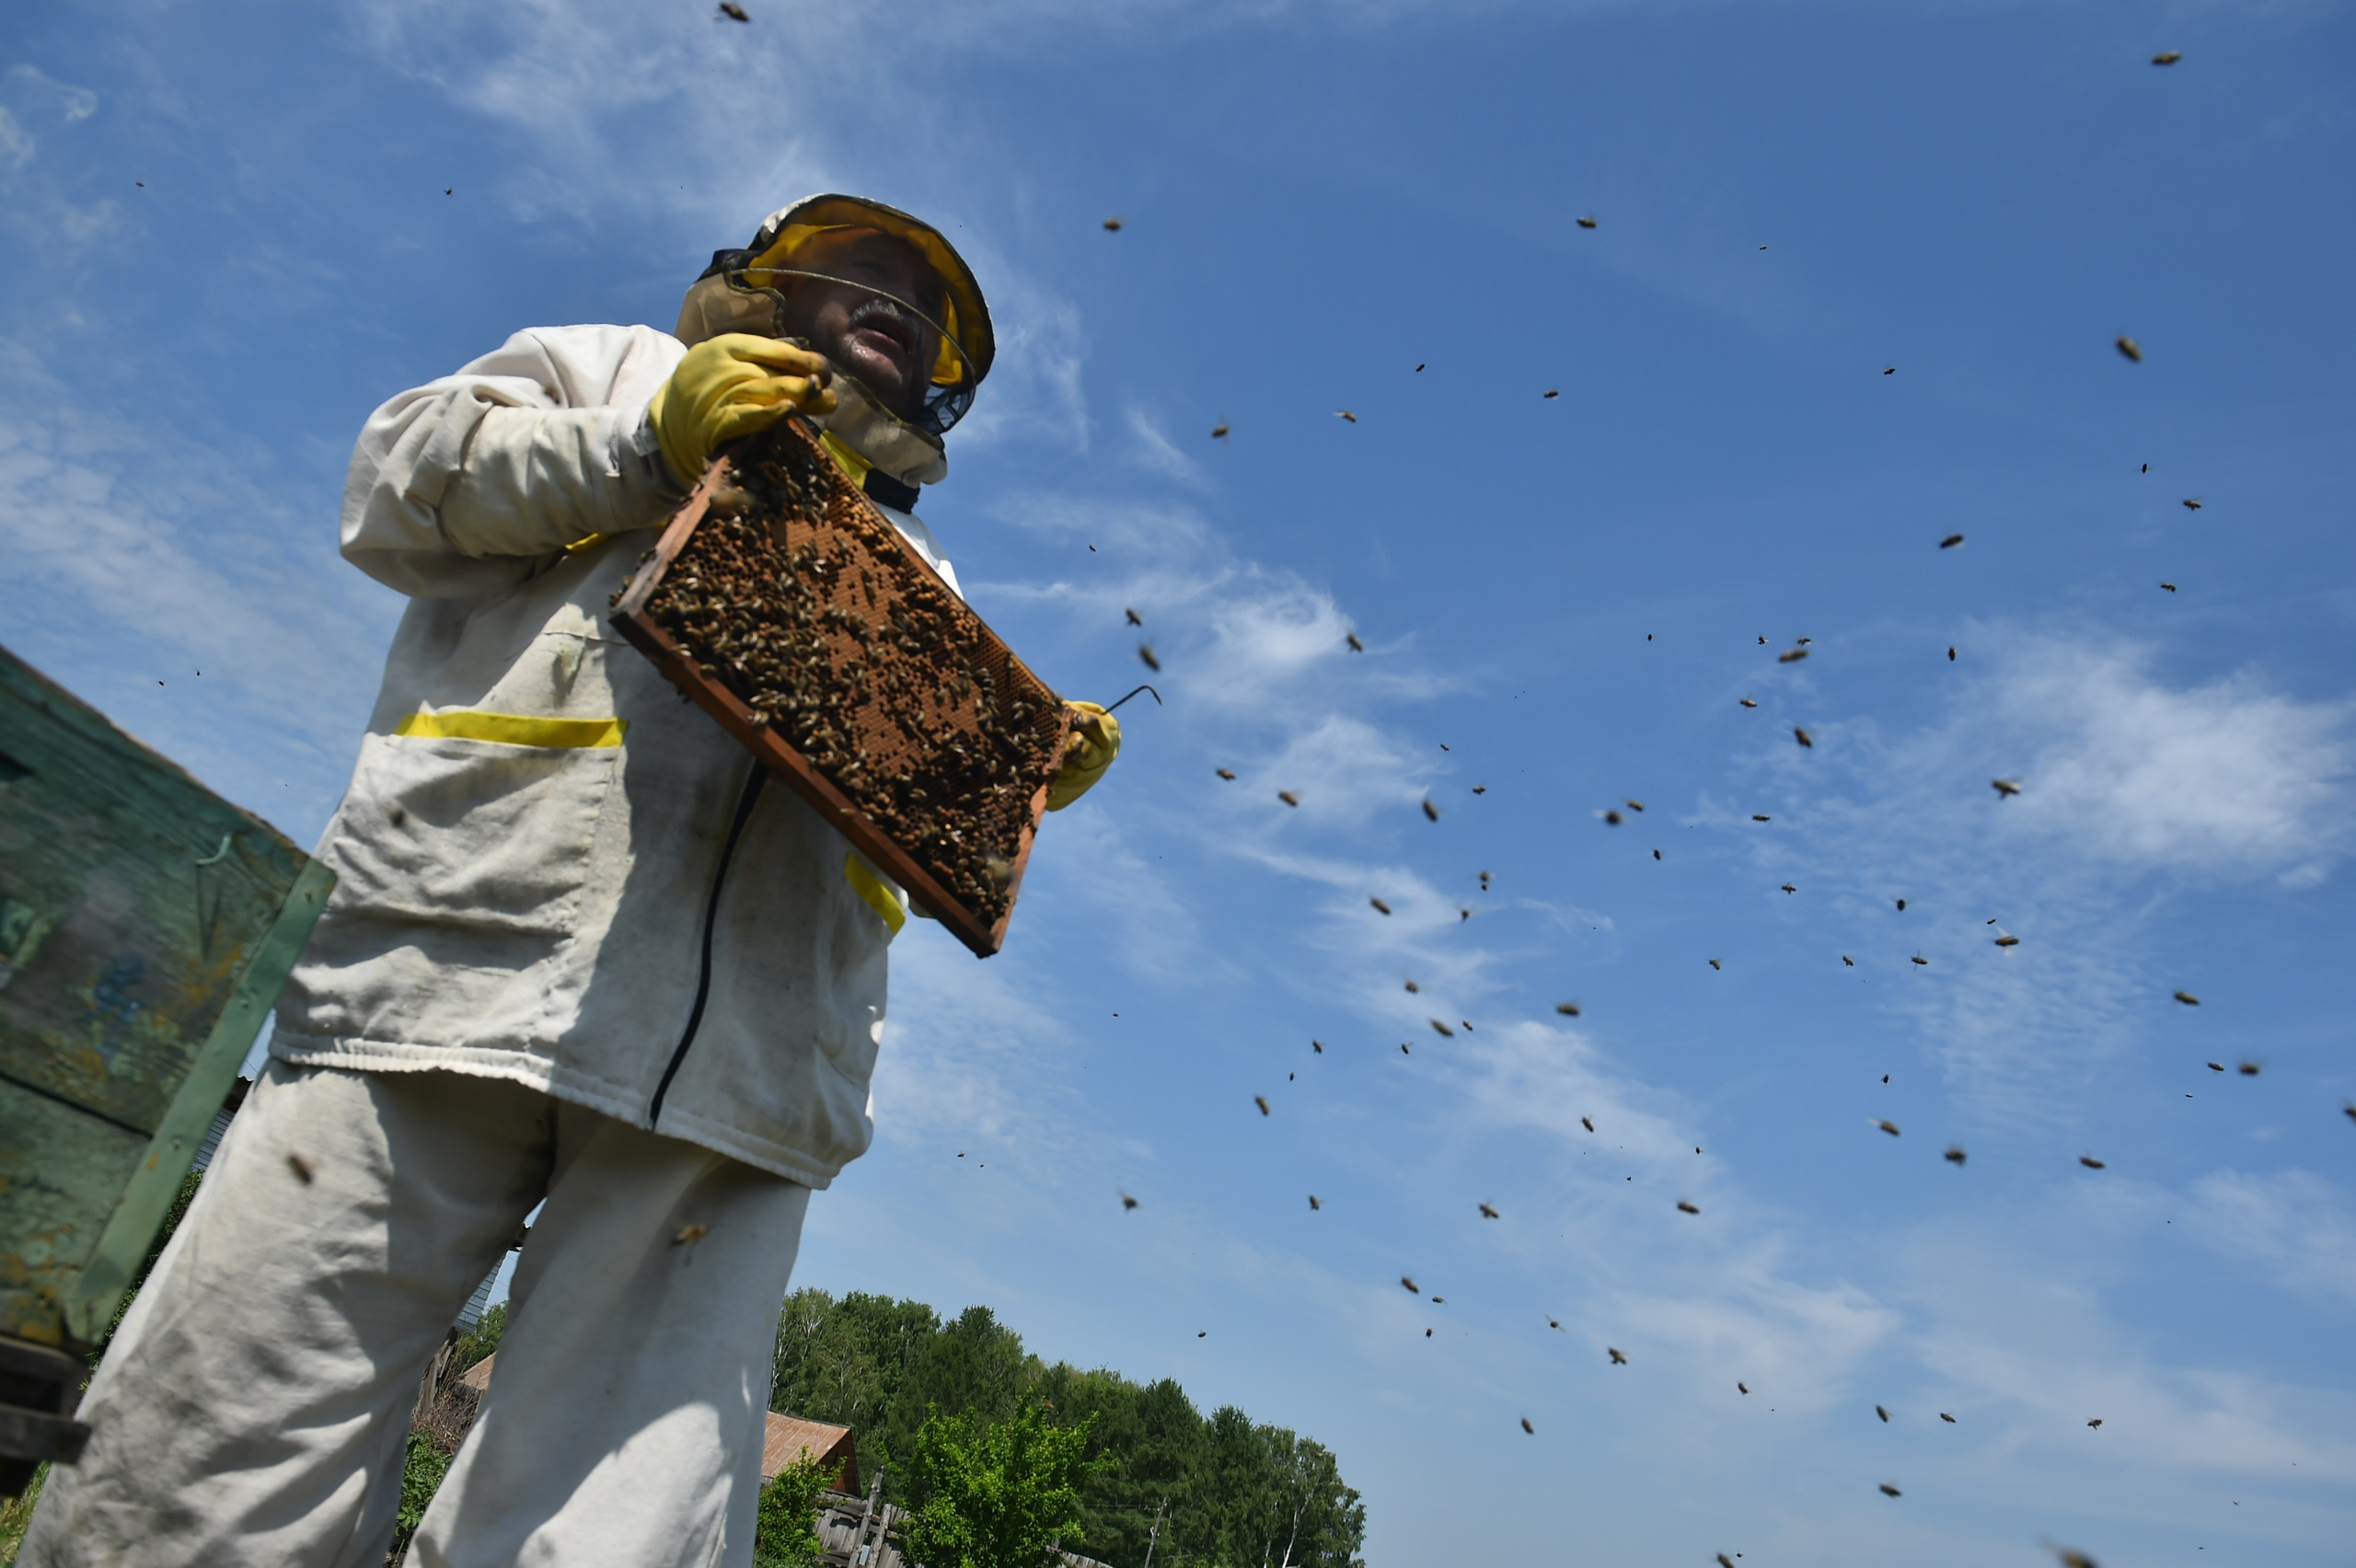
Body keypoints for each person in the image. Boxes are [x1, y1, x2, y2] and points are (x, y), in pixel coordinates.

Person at [23, 194, 1120, 1568]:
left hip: (734, 1090)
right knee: (218, 1453)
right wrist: (643, 447)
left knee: (617, 1540)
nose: (897, 306)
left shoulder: (926, 581)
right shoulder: (608, 368)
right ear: (763, 284)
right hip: (446, 975)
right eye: (864, 274)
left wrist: (1003, 773)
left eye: (925, 305)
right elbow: (393, 485)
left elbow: (884, 814)